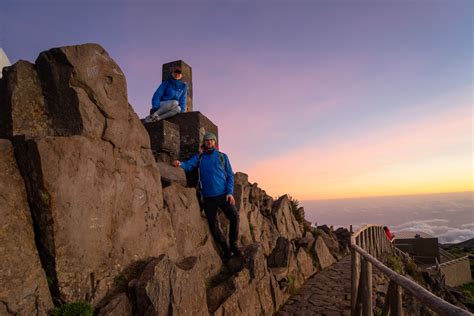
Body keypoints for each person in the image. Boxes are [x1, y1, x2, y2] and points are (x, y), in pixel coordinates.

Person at [172, 132, 242, 261]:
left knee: (235, 217)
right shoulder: (200, 157)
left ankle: (233, 245)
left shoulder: (222, 157)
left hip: (223, 195)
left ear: (215, 143)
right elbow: (188, 166)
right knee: (214, 227)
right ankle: (226, 251)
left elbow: (230, 176)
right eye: (207, 140)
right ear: (204, 143)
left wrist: (230, 192)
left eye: (211, 140)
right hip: (208, 198)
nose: (209, 142)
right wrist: (179, 164)